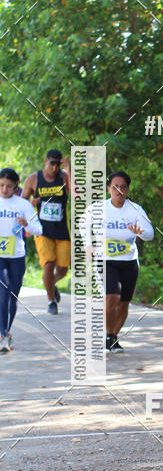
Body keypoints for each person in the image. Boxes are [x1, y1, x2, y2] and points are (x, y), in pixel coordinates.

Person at [84, 171, 154, 353]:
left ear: (128, 189)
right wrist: (88, 245)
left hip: (129, 261)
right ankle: (108, 334)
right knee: (111, 297)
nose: (119, 190)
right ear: (109, 189)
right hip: (105, 260)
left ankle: (114, 337)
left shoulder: (135, 210)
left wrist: (140, 232)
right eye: (115, 187)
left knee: (123, 302)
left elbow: (150, 234)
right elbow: (83, 223)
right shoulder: (98, 209)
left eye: (123, 187)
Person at [21, 149, 71, 315]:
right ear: (45, 161)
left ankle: (51, 284)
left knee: (62, 269)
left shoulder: (64, 177)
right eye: (52, 163)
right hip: (42, 230)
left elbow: (77, 194)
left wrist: (69, 169)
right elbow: (21, 204)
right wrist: (30, 205)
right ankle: (51, 301)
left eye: (58, 164)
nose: (54, 168)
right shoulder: (33, 179)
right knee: (48, 265)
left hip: (63, 230)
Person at [0, 168, 43, 352]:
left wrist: (27, 224)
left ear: (16, 186)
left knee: (12, 298)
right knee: (2, 294)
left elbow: (39, 230)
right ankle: (2, 336)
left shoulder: (23, 205)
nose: (4, 189)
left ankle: (6, 332)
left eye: (9, 186)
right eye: (1, 185)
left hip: (17, 257)